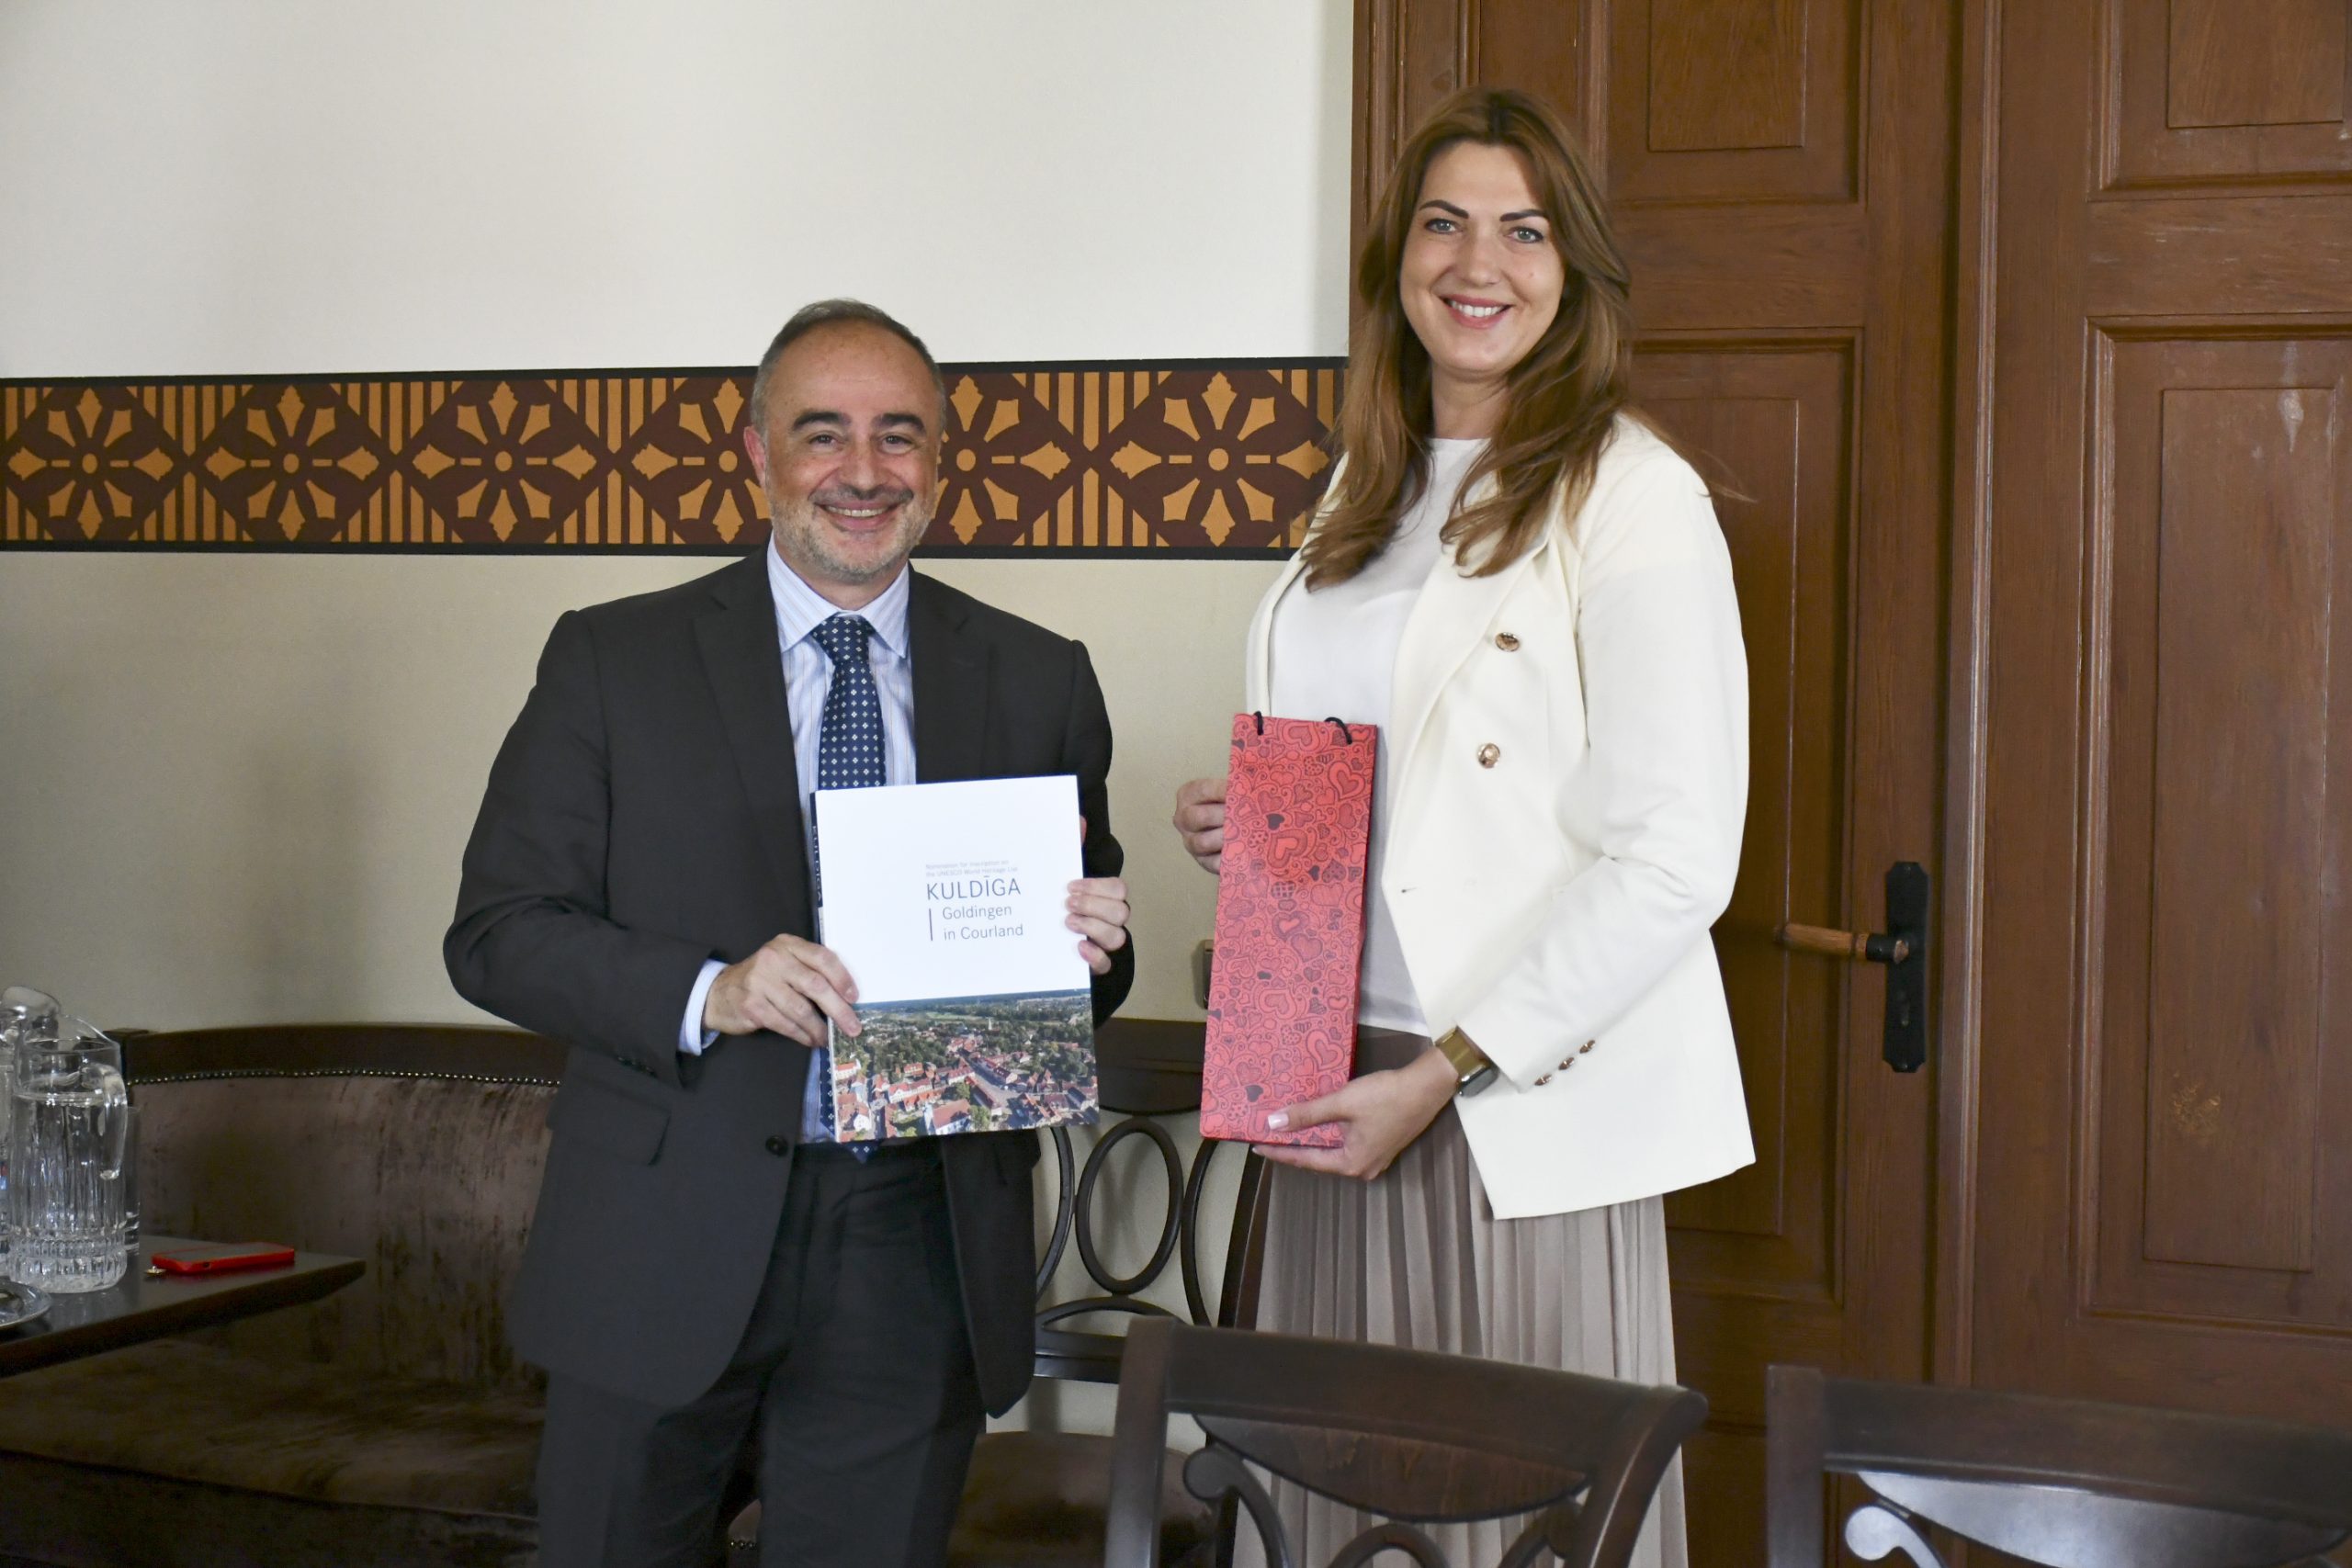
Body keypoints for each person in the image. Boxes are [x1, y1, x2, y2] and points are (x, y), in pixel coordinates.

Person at [447, 299, 1135, 1568]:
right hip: (660, 1231)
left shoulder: (1040, 676)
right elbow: (496, 932)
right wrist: (711, 990)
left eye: (898, 435)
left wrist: (1093, 945)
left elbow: (1074, 977)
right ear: (757, 452)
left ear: (941, 459)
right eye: (824, 434)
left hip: (914, 1245)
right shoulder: (613, 660)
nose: (864, 472)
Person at [1172, 88, 1750, 1566]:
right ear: (1398, 261)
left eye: (1522, 229)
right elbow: (1394, 786)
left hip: (1508, 1106)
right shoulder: (1357, 494)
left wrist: (1443, 1072)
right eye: (1444, 224)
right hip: (1325, 1082)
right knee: (1323, 1515)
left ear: (1575, 271)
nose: (1477, 263)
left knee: (1521, 1524)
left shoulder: (1635, 497)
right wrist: (1255, 829)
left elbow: (1677, 857)